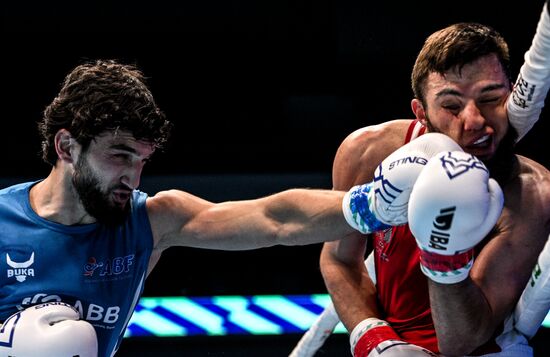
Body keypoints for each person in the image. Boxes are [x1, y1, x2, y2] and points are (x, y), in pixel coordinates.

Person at [0, 59, 445, 357]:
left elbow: (274, 218)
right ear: (66, 146)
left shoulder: (147, 221)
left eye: (142, 161)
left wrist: (371, 205)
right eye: (119, 156)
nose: (133, 178)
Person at [319, 1, 550, 357]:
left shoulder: (532, 193)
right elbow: (338, 258)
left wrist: (443, 245)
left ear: (511, 98)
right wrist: (372, 338)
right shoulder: (368, 152)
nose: (475, 121)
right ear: (421, 113)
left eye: (490, 99)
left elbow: (462, 340)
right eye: (452, 106)